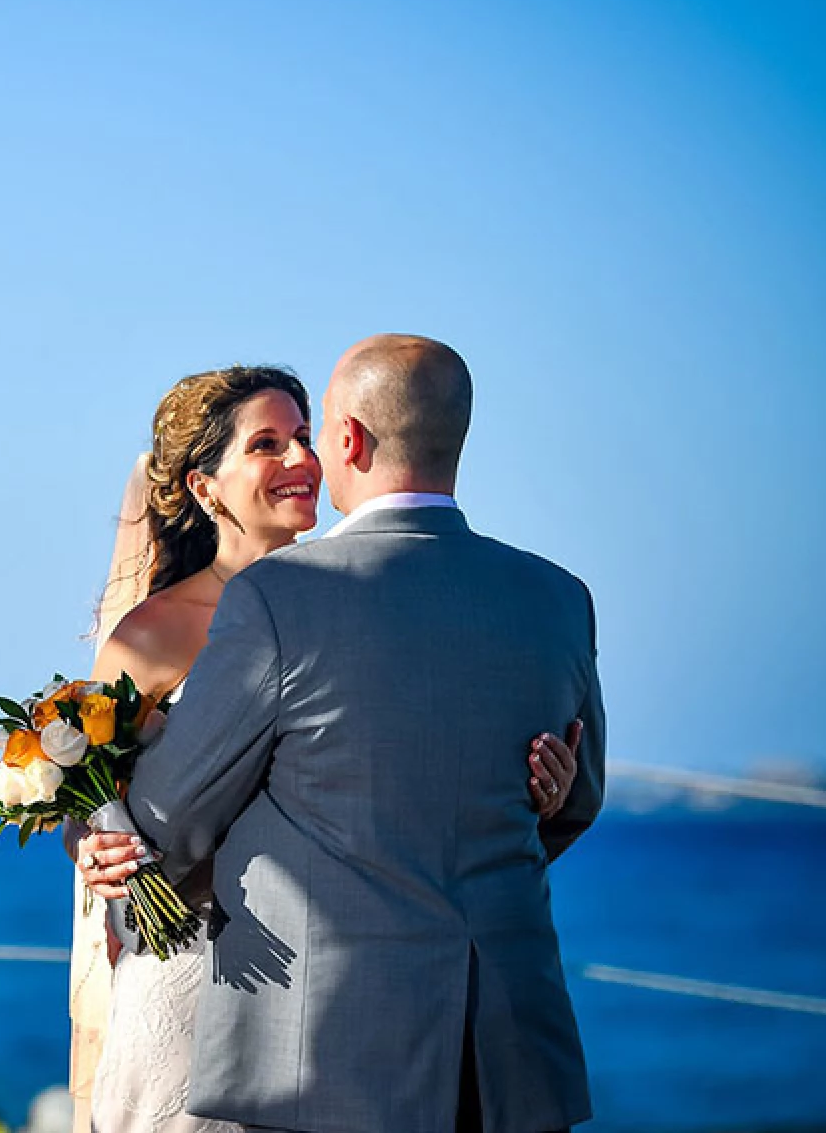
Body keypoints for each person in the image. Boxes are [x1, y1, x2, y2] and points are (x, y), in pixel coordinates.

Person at [86, 337, 603, 1133]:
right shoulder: (560, 599)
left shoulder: (281, 597)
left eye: (310, 431)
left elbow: (169, 819)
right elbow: (574, 807)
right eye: (269, 442)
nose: (305, 454)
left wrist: (130, 840)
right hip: (497, 1048)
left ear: (351, 440)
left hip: (313, 1034)